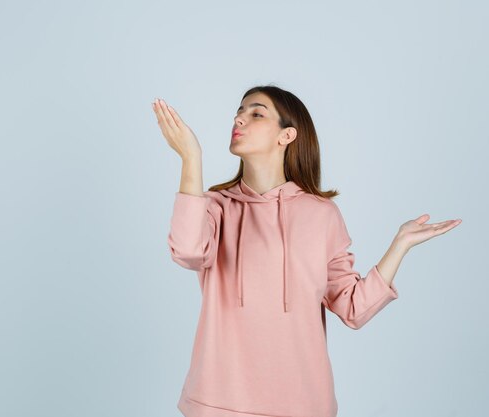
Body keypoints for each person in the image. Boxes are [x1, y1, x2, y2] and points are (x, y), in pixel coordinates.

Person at [152, 85, 462, 417]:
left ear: (287, 135)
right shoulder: (215, 207)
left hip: (302, 405)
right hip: (217, 402)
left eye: (256, 113)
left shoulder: (321, 214)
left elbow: (353, 307)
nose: (240, 118)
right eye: (239, 112)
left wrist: (399, 245)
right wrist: (190, 158)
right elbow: (187, 251)